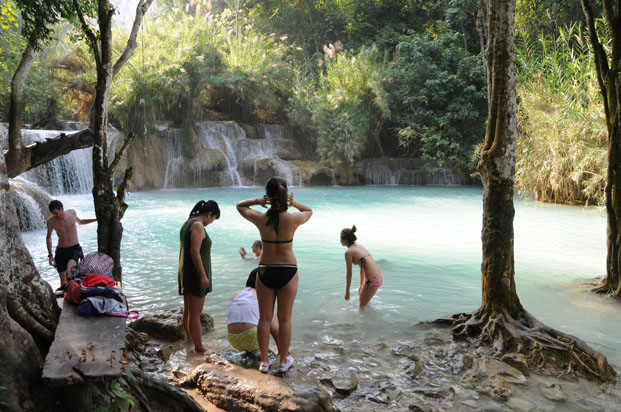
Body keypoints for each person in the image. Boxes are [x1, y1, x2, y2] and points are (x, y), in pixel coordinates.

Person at [236, 177, 312, 373]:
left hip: (265, 270)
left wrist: (258, 202)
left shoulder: (261, 219)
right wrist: (292, 203)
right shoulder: (293, 219)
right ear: (285, 195)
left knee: (265, 319)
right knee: (285, 319)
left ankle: (264, 362)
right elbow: (308, 211)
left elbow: (239, 206)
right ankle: (284, 361)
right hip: (288, 270)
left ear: (268, 195)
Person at [178, 199, 220, 354]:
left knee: (188, 310)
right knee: (195, 313)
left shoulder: (188, 223)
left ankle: (190, 341)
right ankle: (199, 347)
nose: (212, 222)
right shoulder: (198, 226)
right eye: (213, 219)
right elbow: (194, 252)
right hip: (195, 274)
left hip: (187, 271)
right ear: (209, 214)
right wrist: (203, 275)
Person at [46, 200, 96, 294]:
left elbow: (81, 222)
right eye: (53, 213)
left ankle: (76, 294)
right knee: (63, 281)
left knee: (69, 271)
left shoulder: (72, 213)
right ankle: (68, 298)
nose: (55, 215)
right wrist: (50, 255)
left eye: (56, 213)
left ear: (62, 209)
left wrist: (96, 219)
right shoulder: (51, 221)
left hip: (74, 249)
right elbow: (48, 237)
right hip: (61, 251)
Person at [227, 268, 280, 353]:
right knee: (269, 319)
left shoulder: (237, 294)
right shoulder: (262, 295)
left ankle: (249, 352)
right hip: (251, 338)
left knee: (254, 317)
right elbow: (275, 328)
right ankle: (282, 352)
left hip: (232, 338)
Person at [340, 225, 383, 308]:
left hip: (371, 281)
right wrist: (361, 285)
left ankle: (362, 320)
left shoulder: (348, 252)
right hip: (378, 278)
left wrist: (347, 292)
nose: (340, 240)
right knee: (365, 304)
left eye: (341, 238)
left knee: (361, 307)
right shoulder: (360, 247)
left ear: (345, 240)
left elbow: (349, 274)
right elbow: (363, 267)